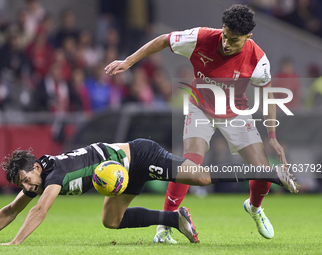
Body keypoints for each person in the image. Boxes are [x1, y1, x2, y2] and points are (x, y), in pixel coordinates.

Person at [105, 4, 289, 242]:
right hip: (200, 106)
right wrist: (129, 61)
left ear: (248, 37)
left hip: (235, 112)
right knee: (189, 166)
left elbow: (267, 94)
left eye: (234, 40)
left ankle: (254, 208)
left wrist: (272, 136)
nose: (226, 43)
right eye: (225, 35)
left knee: (263, 173)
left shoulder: (258, 59)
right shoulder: (201, 37)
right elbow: (163, 40)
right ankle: (164, 228)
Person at [0, 138, 298, 245]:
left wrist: (16, 243)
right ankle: (175, 220)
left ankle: (270, 173)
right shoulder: (39, 176)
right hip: (122, 171)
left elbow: (39, 211)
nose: (26, 188)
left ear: (36, 167)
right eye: (22, 185)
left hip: (141, 156)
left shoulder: (52, 174)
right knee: (112, 220)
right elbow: (10, 209)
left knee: (200, 178)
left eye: (26, 181)